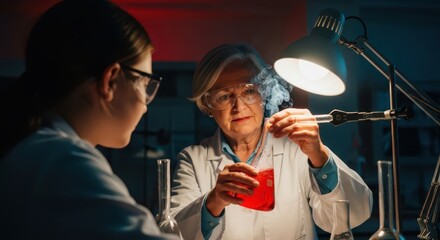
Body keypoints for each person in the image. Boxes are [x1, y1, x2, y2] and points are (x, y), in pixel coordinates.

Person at [0, 1, 178, 239]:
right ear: (110, 80)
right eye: (145, 84)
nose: (146, 106)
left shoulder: (38, 149)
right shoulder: (62, 160)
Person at [170, 43, 373, 239]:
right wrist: (214, 201)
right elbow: (172, 234)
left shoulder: (295, 146)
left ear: (264, 93)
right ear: (208, 106)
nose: (238, 107)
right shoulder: (192, 160)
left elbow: (352, 215)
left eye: (249, 91)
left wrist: (318, 154)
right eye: (224, 96)